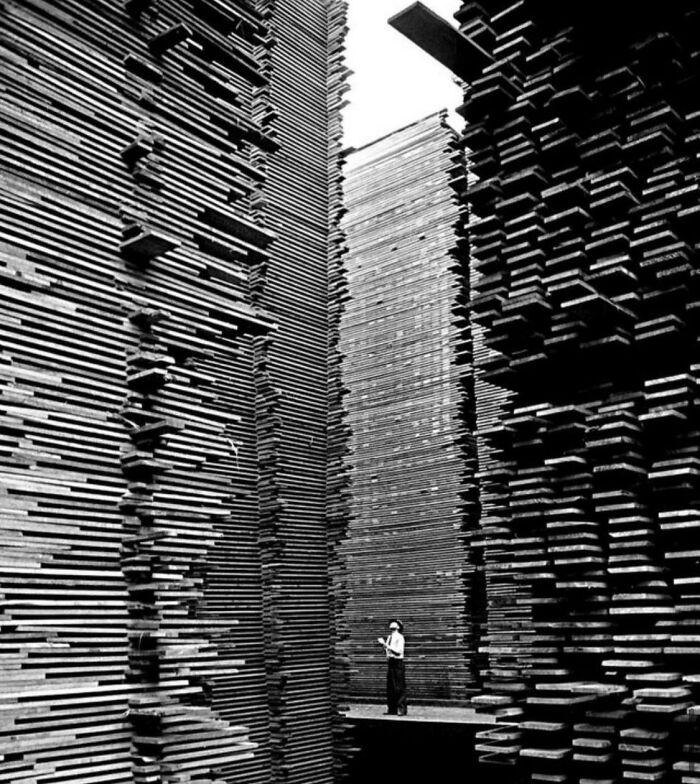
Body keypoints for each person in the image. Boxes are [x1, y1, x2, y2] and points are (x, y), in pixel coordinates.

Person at [377, 619, 407, 715]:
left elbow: (399, 651)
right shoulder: (389, 637)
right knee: (390, 687)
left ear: (398, 627)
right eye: (391, 622)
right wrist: (384, 646)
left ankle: (401, 709)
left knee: (399, 687)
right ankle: (392, 709)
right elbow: (388, 651)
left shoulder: (400, 637)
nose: (392, 623)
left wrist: (385, 644)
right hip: (391, 662)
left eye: (395, 623)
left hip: (398, 662)